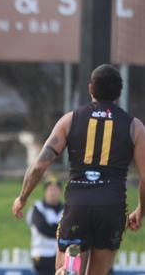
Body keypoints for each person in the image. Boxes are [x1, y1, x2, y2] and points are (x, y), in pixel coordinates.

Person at [12, 64, 145, 275]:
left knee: (63, 266)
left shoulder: (70, 119)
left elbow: (40, 165)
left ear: (90, 88)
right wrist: (141, 209)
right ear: (120, 92)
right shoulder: (134, 127)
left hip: (78, 204)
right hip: (112, 206)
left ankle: (68, 269)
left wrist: (22, 197)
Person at [26, 175, 64, 275]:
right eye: (50, 189)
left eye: (56, 190)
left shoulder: (65, 209)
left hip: (61, 255)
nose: (53, 193)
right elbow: (43, 228)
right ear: (45, 191)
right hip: (42, 255)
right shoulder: (37, 208)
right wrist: (61, 230)